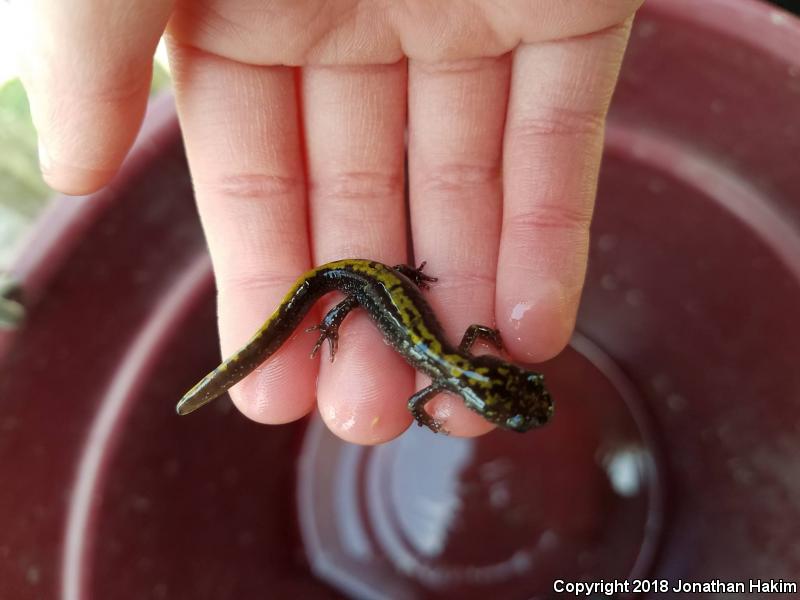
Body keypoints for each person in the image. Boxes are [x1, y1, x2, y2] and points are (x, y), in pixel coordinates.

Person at [13, 0, 643, 444]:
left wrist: (413, 320)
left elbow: (468, 339)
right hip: (357, 280)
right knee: (342, 304)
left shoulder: (451, 366)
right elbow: (443, 365)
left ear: (490, 379)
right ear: (482, 388)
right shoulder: (443, 374)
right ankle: (338, 310)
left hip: (371, 279)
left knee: (354, 305)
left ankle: (343, 306)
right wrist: (340, 313)